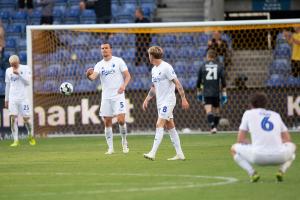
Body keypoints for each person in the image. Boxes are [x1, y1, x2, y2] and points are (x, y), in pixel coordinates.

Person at [231, 92, 296, 182]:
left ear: (251, 104)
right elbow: (288, 139)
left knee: (234, 149)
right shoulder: (276, 115)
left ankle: (252, 173)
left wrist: (253, 144)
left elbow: (240, 140)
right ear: (266, 103)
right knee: (292, 147)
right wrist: (274, 141)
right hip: (280, 156)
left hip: (258, 157)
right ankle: (281, 171)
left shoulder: (248, 114)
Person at [143, 46, 189, 161]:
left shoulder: (167, 67)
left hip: (168, 101)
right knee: (170, 126)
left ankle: (152, 153)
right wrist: (147, 99)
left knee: (159, 124)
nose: (148, 57)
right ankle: (180, 154)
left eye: (149, 55)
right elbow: (154, 87)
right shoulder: (154, 69)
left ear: (152, 56)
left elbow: (177, 83)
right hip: (160, 102)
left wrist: (183, 98)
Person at [86, 42, 131, 154]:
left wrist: (123, 86)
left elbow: (128, 76)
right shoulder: (99, 65)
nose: (104, 50)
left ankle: (124, 141)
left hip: (118, 96)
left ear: (110, 49)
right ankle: (110, 148)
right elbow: (93, 77)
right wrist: (88, 75)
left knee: (121, 120)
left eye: (106, 48)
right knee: (107, 122)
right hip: (106, 97)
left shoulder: (118, 61)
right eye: (102, 48)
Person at [4, 55, 36, 147]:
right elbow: (7, 85)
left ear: (18, 62)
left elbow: (27, 83)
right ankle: (16, 140)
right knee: (13, 119)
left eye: (14, 64)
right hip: (12, 98)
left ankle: (30, 135)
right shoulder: (8, 71)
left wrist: (19, 74)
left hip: (23, 98)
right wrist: (6, 99)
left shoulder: (26, 68)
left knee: (26, 120)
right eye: (11, 64)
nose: (13, 66)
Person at [196, 49, 227, 134]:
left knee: (208, 111)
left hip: (206, 92)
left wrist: (199, 93)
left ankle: (213, 127)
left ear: (208, 56)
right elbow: (223, 81)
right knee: (217, 111)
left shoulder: (203, 66)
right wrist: (224, 94)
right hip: (216, 92)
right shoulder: (219, 66)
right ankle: (215, 127)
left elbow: (198, 81)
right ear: (215, 57)